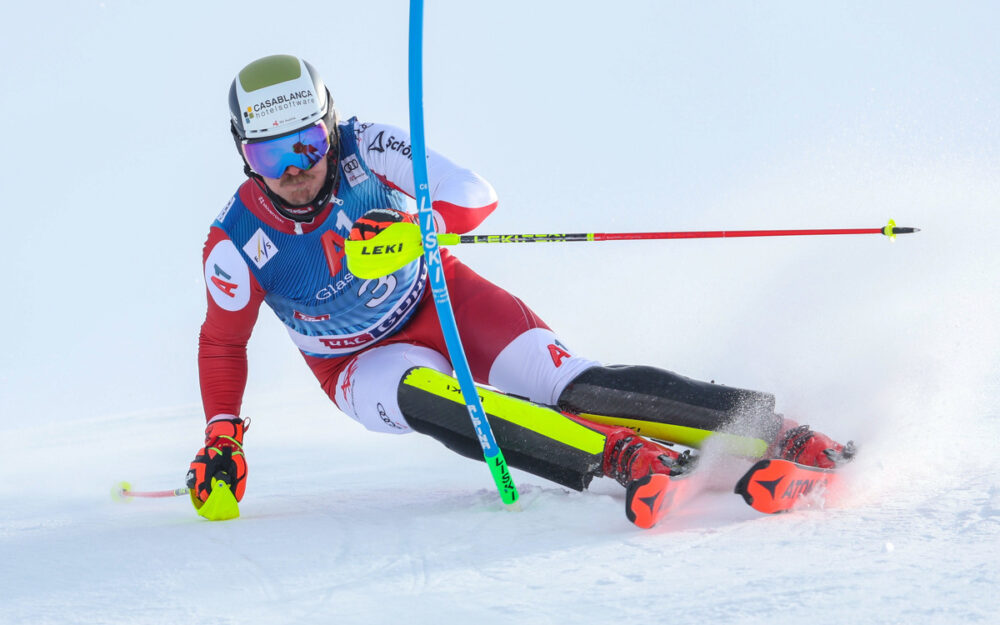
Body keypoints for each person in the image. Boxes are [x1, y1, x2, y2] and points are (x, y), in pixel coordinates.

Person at [186, 54, 853, 525]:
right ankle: (623, 457)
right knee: (450, 402)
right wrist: (223, 437)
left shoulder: (367, 146)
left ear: (329, 125)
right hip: (356, 362)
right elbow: (222, 342)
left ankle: (775, 430)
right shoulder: (237, 241)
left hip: (439, 297)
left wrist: (423, 227)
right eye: (272, 156)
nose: (297, 171)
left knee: (571, 382)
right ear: (244, 154)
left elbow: (477, 192)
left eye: (306, 143)